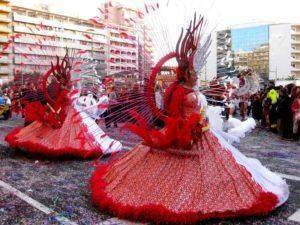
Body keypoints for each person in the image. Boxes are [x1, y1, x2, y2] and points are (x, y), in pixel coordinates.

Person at [90, 16, 289, 224]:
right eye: (193, 72)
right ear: (185, 75)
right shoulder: (178, 92)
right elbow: (173, 115)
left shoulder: (187, 89)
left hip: (200, 131)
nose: (196, 75)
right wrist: (187, 127)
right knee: (179, 171)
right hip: (185, 133)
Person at [6, 53, 122, 158]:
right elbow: (59, 100)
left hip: (73, 112)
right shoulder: (63, 89)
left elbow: (73, 94)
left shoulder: (70, 88)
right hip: (65, 112)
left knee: (81, 131)